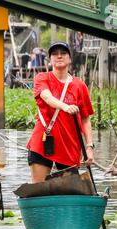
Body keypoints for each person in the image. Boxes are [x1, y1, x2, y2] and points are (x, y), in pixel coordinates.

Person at [27, 41, 95, 184]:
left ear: (69, 59)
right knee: (38, 191)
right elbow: (46, 97)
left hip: (70, 146)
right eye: (54, 54)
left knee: (70, 193)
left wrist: (89, 146)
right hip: (43, 142)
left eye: (63, 53)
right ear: (50, 59)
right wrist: (65, 106)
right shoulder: (42, 78)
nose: (59, 56)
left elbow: (86, 119)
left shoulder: (80, 86)